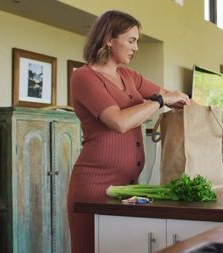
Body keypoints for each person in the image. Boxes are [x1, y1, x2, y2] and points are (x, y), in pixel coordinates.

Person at [67, 10, 190, 253]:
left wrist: (193, 105)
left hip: (130, 186)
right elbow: (119, 122)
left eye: (137, 41)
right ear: (109, 39)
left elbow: (169, 95)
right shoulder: (84, 77)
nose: (136, 47)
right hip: (95, 187)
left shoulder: (128, 75)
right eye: (131, 40)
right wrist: (159, 101)